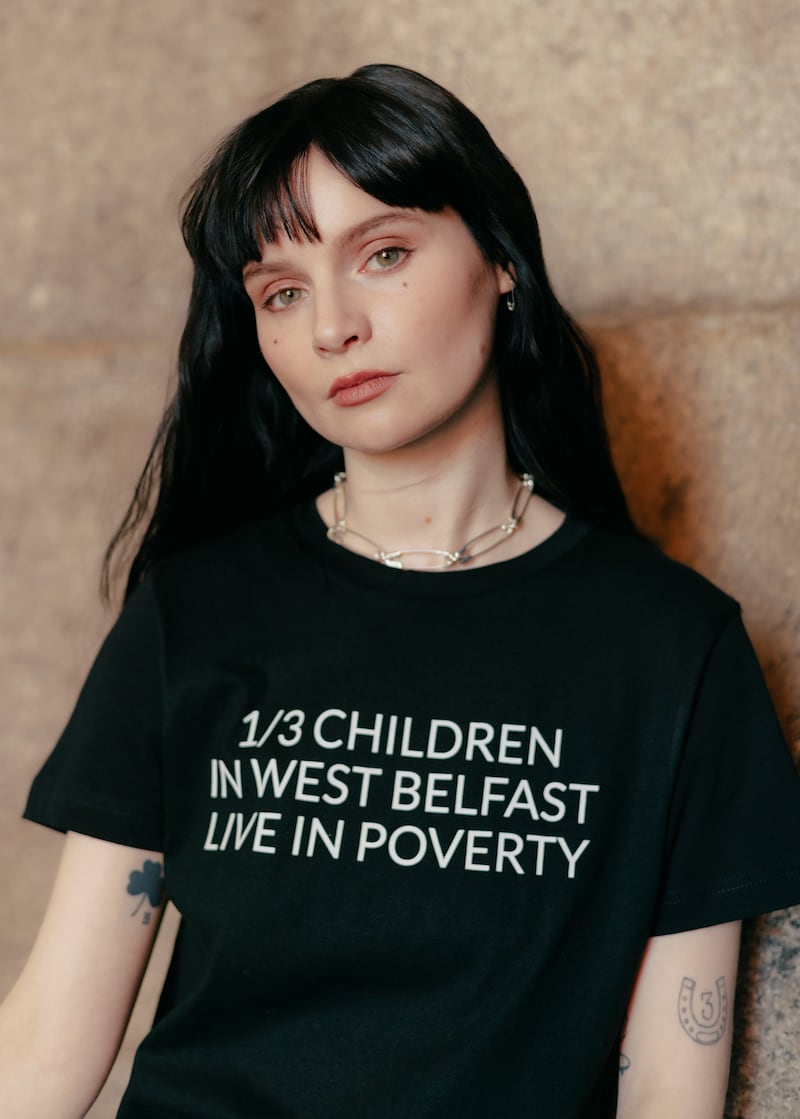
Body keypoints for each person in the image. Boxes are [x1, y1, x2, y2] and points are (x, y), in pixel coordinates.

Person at [2, 62, 799, 1119]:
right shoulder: (194, 615)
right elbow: (47, 1050)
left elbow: (667, 1087)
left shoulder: (669, 651)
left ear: (501, 261)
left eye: (381, 255)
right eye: (281, 291)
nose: (330, 326)